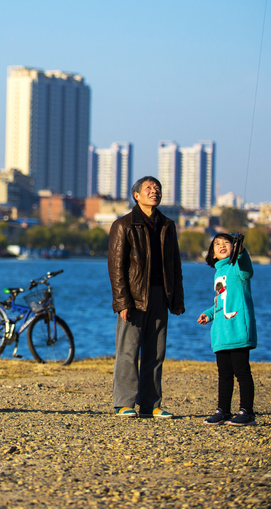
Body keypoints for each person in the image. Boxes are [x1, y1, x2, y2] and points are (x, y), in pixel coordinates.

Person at [108, 176, 185, 418]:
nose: (155, 191)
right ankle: (124, 402)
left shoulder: (167, 226)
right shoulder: (123, 225)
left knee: (156, 352)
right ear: (137, 196)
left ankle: (151, 404)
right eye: (149, 188)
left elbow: (175, 265)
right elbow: (116, 267)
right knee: (128, 350)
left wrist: (177, 299)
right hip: (133, 296)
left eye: (158, 188)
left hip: (160, 295)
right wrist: (122, 301)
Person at [197, 233, 258, 426]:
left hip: (238, 328)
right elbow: (220, 301)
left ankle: (246, 411)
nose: (222, 245)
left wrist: (241, 253)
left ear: (234, 247)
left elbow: (247, 270)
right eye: (217, 244)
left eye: (227, 242)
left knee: (242, 372)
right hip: (221, 333)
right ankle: (223, 410)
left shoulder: (237, 268)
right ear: (212, 254)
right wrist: (209, 314)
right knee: (224, 374)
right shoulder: (218, 272)